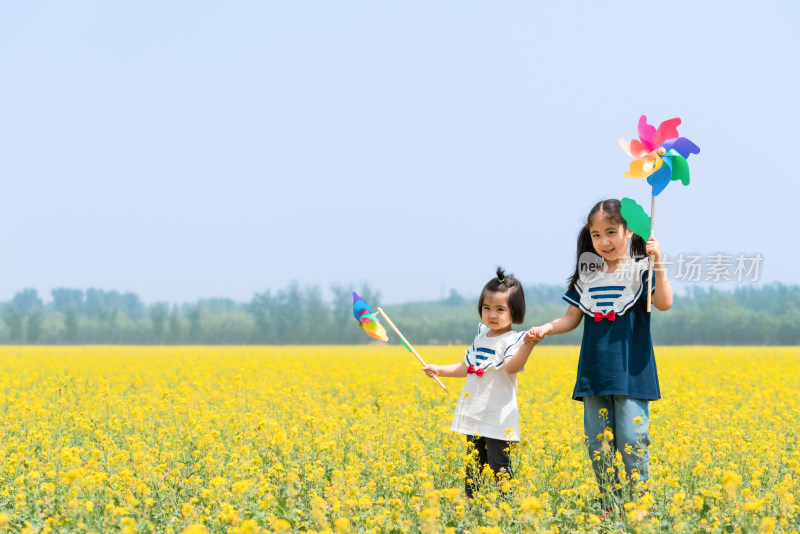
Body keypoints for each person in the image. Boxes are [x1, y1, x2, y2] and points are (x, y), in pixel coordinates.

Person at [527, 199, 672, 509]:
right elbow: (571, 317)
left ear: (628, 232)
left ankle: (639, 508)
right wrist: (546, 328)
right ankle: (609, 506)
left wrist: (658, 260)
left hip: (632, 372)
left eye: (610, 232)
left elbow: (664, 302)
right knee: (598, 445)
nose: (603, 241)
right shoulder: (588, 275)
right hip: (595, 372)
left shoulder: (641, 270)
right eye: (596, 235)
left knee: (633, 441)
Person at [423, 268, 538, 498]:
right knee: (473, 465)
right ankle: (472, 506)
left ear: (514, 312)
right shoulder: (481, 336)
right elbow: (467, 367)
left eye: (499, 309)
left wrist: (528, 346)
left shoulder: (514, 340)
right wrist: (439, 370)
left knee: (499, 465)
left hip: (498, 417)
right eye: (487, 308)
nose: (492, 314)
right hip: (475, 412)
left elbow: (511, 367)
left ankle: (505, 509)